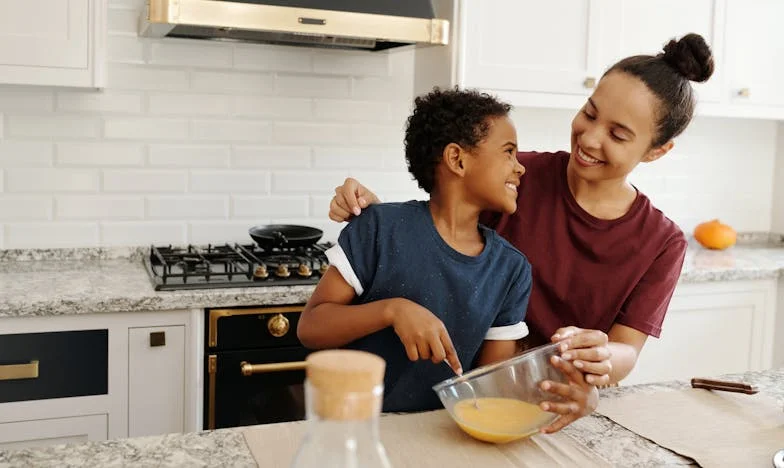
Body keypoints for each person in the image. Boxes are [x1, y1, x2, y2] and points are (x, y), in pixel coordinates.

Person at [327, 33, 714, 432]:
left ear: (656, 150)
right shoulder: (515, 179)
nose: (590, 137)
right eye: (590, 112)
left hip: (558, 404)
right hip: (466, 401)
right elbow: (439, 222)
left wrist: (598, 365)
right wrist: (377, 213)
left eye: (618, 135)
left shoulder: (661, 241)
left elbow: (626, 351)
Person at [296, 88, 541, 413]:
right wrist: (393, 310)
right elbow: (310, 328)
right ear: (457, 159)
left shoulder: (512, 269)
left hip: (445, 434)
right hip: (356, 427)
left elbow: (491, 388)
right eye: (508, 152)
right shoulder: (379, 228)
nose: (519, 166)